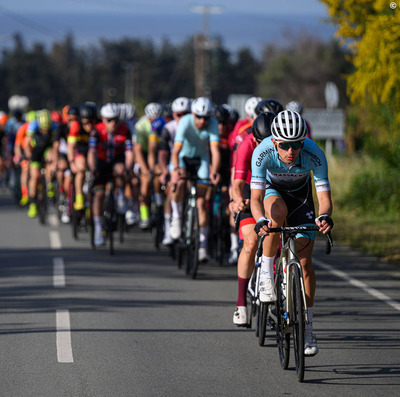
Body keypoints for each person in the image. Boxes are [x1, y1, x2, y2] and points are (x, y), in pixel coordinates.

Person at [250, 110, 333, 356]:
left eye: (296, 145)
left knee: (305, 263)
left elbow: (324, 199)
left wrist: (325, 216)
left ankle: (307, 327)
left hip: (302, 196)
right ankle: (266, 273)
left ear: (302, 142)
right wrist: (259, 219)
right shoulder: (262, 152)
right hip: (272, 191)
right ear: (274, 142)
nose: (290, 151)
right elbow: (254, 198)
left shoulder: (314, 153)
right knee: (276, 216)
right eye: (285, 145)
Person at [231, 112, 276, 326]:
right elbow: (238, 183)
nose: (265, 146)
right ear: (254, 138)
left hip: (275, 189)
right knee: (250, 242)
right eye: (261, 142)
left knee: (279, 240)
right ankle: (241, 304)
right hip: (252, 191)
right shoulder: (246, 144)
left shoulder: (282, 144)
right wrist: (239, 200)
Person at [169, 96, 220, 262]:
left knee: (200, 203)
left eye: (206, 117)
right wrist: (176, 170)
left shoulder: (212, 124)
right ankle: (176, 217)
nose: (202, 121)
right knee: (179, 182)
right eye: (198, 117)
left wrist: (214, 171)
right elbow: (175, 152)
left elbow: (215, 152)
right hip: (183, 158)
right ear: (193, 114)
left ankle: (203, 248)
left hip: (201, 159)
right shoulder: (184, 121)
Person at [88, 103, 134, 246]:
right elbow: (92, 152)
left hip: (117, 160)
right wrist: (93, 168)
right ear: (103, 120)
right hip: (101, 161)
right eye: (109, 120)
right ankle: (98, 228)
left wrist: (127, 167)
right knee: (99, 194)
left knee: (121, 170)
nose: (113, 123)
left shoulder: (125, 130)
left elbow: (129, 153)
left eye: (115, 119)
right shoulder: (96, 131)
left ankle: (120, 195)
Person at [158, 96, 191, 246]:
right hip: (174, 163)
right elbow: (163, 152)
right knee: (172, 190)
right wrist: (164, 170)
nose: (182, 117)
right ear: (173, 115)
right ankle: (168, 229)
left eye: (186, 114)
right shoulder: (169, 128)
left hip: (191, 163)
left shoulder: (194, 126)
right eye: (179, 114)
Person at [134, 102, 163, 229]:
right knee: (145, 182)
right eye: (151, 119)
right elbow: (138, 151)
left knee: (159, 177)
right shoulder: (140, 125)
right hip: (144, 153)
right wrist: (146, 169)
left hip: (160, 151)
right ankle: (144, 216)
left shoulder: (163, 123)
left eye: (155, 119)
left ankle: (159, 202)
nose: (153, 122)